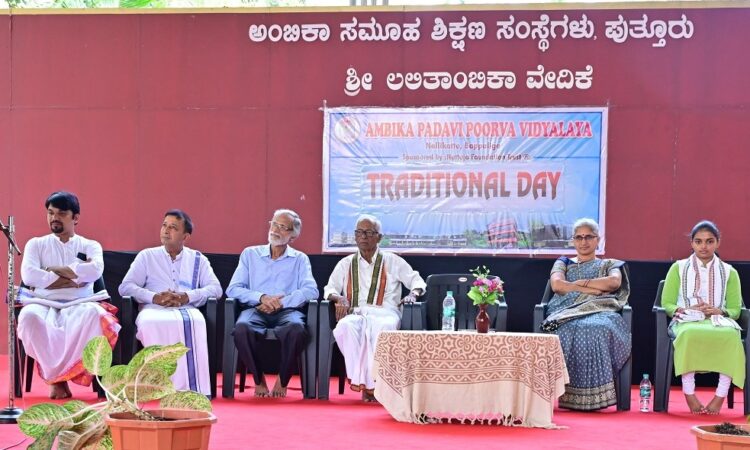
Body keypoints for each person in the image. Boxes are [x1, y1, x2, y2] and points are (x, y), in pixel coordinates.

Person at [17, 191, 120, 399]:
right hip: (43, 302)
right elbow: (29, 276)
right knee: (28, 317)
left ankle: (65, 378)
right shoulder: (35, 244)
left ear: (75, 217)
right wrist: (74, 277)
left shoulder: (90, 245)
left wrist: (50, 272)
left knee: (97, 317)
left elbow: (95, 271)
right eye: (50, 213)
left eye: (61, 213)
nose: (54, 218)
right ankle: (56, 379)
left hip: (81, 302)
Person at [119, 209, 222, 396]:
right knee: (150, 323)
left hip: (187, 308)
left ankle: (190, 388)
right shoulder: (147, 256)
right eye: (164, 225)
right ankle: (157, 386)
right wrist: (154, 297)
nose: (166, 230)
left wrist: (187, 296)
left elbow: (216, 289)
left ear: (185, 236)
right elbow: (125, 287)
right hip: (153, 308)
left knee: (196, 322)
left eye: (173, 227)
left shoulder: (198, 259)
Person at [324, 214, 426, 402]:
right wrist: (339, 298)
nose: (363, 236)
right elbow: (329, 288)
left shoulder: (392, 260)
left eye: (369, 232)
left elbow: (417, 281)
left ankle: (376, 384)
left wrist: (413, 295)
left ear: (379, 237)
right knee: (345, 327)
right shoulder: (345, 263)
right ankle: (366, 382)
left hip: (385, 313)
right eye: (359, 232)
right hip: (356, 313)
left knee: (382, 329)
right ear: (355, 236)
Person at [540, 218, 631, 411]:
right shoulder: (563, 262)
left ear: (598, 239)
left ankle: (595, 396)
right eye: (579, 237)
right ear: (573, 240)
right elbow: (557, 285)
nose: (584, 242)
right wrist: (593, 288)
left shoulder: (610, 264)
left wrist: (576, 285)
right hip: (564, 311)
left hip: (601, 309)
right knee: (566, 328)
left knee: (598, 327)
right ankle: (566, 393)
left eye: (589, 237)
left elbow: (613, 283)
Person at [227, 209, 318, 398]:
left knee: (296, 329)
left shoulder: (300, 259)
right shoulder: (250, 254)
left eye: (283, 227)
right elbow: (233, 289)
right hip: (256, 308)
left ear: (292, 236)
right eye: (274, 224)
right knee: (242, 328)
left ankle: (282, 380)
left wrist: (281, 302)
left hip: (287, 311)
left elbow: (311, 290)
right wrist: (261, 297)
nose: (276, 230)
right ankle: (258, 379)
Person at [661, 220, 744, 415]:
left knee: (731, 336)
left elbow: (735, 309)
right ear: (691, 243)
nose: (703, 246)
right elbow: (667, 303)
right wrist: (686, 309)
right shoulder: (679, 268)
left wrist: (719, 311)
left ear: (718, 242)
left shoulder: (729, 272)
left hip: (718, 320)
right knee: (689, 334)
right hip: (687, 321)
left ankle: (719, 396)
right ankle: (689, 394)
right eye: (698, 241)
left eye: (709, 241)